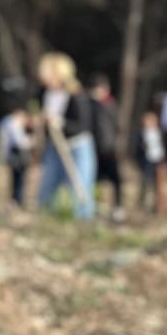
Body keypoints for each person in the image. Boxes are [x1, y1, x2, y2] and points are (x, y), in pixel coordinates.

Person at [35, 52, 97, 219]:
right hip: (54, 145)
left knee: (80, 184)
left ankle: (83, 219)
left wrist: (59, 122)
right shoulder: (44, 93)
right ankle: (45, 215)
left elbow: (83, 125)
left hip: (77, 145)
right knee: (48, 182)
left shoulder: (76, 95)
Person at [89, 74, 124, 218]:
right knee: (95, 179)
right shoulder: (92, 105)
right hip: (94, 148)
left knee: (115, 179)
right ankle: (97, 204)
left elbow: (116, 127)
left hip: (108, 148)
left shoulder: (111, 105)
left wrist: (115, 144)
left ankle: (118, 207)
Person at [0, 106, 34, 206]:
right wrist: (31, 142)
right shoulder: (12, 123)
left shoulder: (5, 122)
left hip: (11, 154)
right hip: (17, 155)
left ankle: (15, 200)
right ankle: (17, 201)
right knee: (19, 180)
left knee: (15, 179)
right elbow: (19, 142)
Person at [135, 110, 167, 212]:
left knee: (158, 185)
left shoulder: (159, 132)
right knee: (145, 183)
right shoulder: (141, 133)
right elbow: (138, 149)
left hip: (158, 161)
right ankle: (142, 205)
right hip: (146, 161)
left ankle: (158, 207)